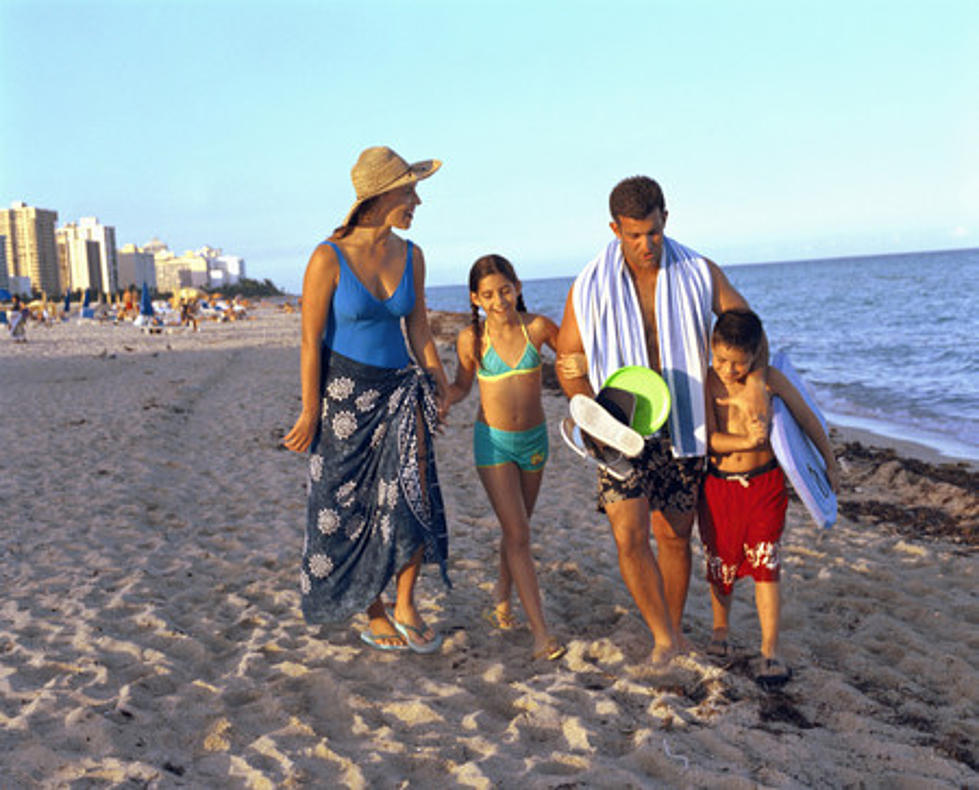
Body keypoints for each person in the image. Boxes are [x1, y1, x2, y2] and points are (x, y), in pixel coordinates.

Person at [555, 175, 767, 664]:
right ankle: (664, 639)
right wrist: (587, 407)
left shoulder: (698, 269)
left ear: (665, 219)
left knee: (673, 534)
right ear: (615, 229)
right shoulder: (588, 285)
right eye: (633, 235)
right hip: (619, 425)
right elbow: (569, 357)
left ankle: (673, 626)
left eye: (653, 231)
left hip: (684, 423)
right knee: (629, 534)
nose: (645, 244)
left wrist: (752, 386)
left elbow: (747, 326)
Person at [282, 145, 451, 654]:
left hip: (402, 389)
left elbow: (418, 326)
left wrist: (438, 379)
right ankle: (372, 609)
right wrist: (310, 409)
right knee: (345, 503)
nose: (416, 201)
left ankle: (405, 603)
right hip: (342, 398)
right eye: (408, 191)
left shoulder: (412, 254)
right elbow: (311, 340)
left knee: (412, 495)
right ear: (379, 198)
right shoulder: (326, 257)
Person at [699, 308, 840, 686]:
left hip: (764, 485)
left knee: (766, 564)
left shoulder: (770, 379)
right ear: (711, 349)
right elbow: (709, 439)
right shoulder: (707, 383)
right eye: (721, 359)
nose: (728, 370)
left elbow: (807, 419)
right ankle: (720, 631)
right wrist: (746, 439)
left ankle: (770, 650)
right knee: (721, 563)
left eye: (738, 363)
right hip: (719, 485)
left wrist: (830, 462)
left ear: (755, 355)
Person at [446, 255, 566, 661]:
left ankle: (502, 593)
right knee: (518, 534)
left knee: (518, 528)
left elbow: (573, 357)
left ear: (517, 285)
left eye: (505, 290)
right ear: (475, 299)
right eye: (488, 295)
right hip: (493, 443)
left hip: (535, 441)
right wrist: (444, 398)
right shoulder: (471, 340)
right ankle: (541, 636)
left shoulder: (538, 328)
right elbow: (462, 386)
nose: (499, 300)